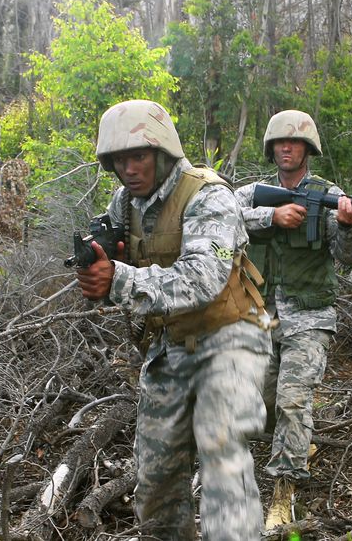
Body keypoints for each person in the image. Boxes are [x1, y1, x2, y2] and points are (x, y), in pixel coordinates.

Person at [75, 99, 274, 541]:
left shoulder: (208, 195)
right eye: (120, 159)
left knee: (223, 463)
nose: (129, 168)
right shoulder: (123, 204)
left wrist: (120, 279)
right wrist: (98, 274)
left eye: (139, 156)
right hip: (170, 345)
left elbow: (203, 279)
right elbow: (119, 272)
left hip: (230, 339)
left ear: (162, 153)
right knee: (157, 477)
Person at [234, 110, 352, 528]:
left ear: (308, 149)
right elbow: (219, 220)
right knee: (263, 405)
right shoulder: (253, 193)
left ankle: (283, 495)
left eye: (294, 143)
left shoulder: (330, 194)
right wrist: (270, 217)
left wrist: (345, 226)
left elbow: (351, 258)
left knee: (293, 401)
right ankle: (297, 442)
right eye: (279, 142)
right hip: (261, 316)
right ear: (271, 148)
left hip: (309, 316)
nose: (286, 148)